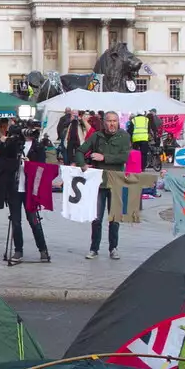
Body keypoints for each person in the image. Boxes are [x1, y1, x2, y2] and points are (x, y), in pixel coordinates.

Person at [81, 110, 130, 259]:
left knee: (114, 218)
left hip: (116, 182)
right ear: (104, 122)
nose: (112, 124)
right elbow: (80, 150)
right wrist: (82, 164)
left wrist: (104, 157)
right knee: (96, 218)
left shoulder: (124, 136)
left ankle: (113, 248)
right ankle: (94, 248)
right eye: (109, 121)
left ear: (118, 122)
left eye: (114, 121)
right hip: (99, 183)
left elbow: (124, 157)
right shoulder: (97, 136)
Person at [0, 123, 50, 265]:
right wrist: (3, 143)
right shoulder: (15, 144)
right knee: (16, 221)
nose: (30, 133)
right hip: (15, 188)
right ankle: (18, 250)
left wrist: (30, 164)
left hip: (30, 190)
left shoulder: (38, 147)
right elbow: (3, 158)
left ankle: (43, 249)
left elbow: (42, 168)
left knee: (33, 220)